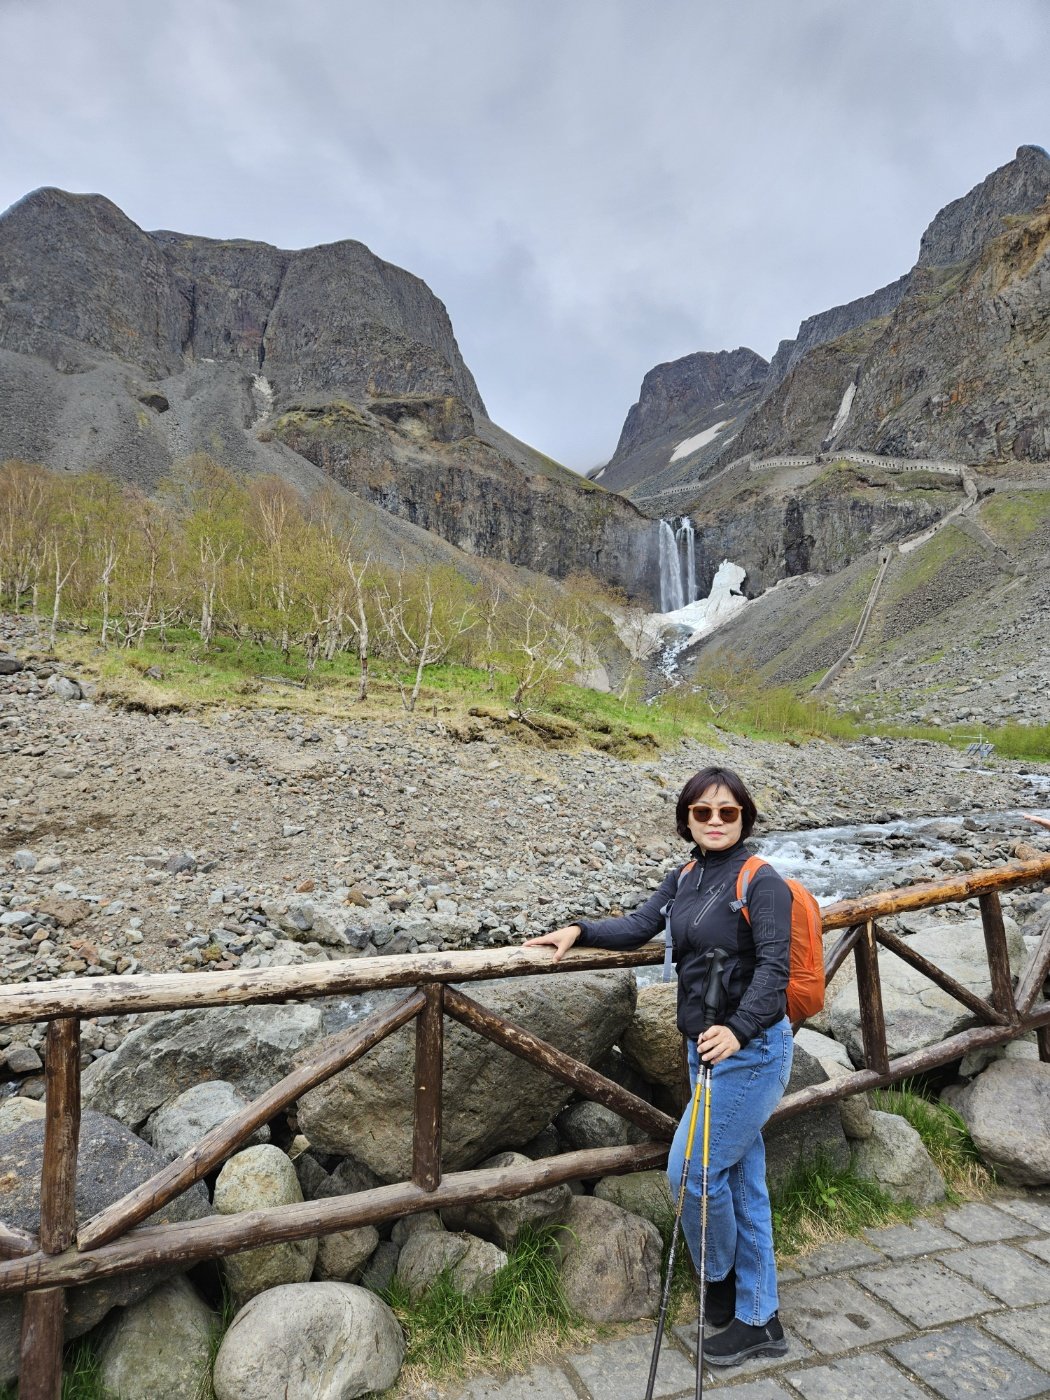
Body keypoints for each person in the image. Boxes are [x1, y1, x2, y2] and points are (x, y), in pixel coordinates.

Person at [524, 765, 793, 1368]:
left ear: (745, 817)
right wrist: (578, 929)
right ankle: (759, 1318)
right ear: (687, 820)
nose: (717, 821)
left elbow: (775, 970)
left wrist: (738, 1029)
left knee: (692, 1175)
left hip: (749, 1053)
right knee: (741, 1186)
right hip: (704, 1052)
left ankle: (720, 1288)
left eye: (728, 812)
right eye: (704, 812)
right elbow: (641, 926)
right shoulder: (687, 875)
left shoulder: (762, 881)